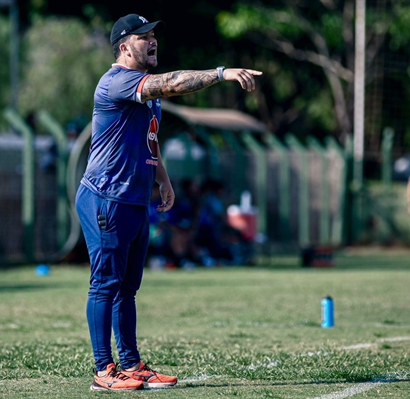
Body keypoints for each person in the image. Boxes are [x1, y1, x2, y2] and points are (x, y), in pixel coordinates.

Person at [74, 13, 262, 391]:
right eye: (144, 36)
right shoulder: (117, 82)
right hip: (105, 198)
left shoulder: (144, 94)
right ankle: (102, 370)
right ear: (124, 47)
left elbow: (149, 142)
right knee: (105, 285)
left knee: (128, 288)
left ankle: (130, 364)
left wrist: (163, 180)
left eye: (154, 34)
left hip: (133, 199)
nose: (152, 40)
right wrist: (221, 73)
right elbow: (172, 83)